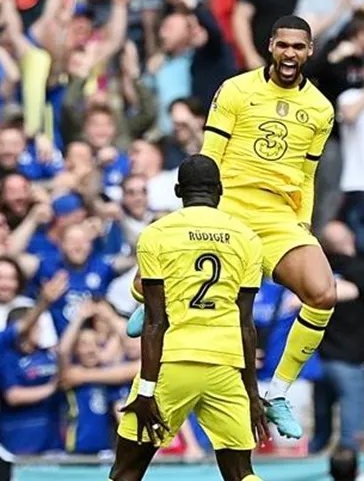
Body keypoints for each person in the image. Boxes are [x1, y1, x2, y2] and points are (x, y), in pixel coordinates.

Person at [130, 15, 337, 440]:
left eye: (299, 47)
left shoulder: (321, 109)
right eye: (283, 46)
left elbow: (307, 174)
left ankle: (277, 393)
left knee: (323, 294)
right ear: (270, 46)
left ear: (310, 50)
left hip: (279, 216)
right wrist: (202, 210)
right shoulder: (236, 89)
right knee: (143, 276)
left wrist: (304, 223)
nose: (290, 55)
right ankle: (148, 299)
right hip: (229, 204)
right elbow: (209, 157)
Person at [109, 154, 268, 481]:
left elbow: (154, 321)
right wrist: (252, 393)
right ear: (220, 191)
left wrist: (146, 391)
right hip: (225, 364)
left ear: (178, 190)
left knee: (127, 470)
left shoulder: (157, 234)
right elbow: (246, 324)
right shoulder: (247, 238)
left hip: (173, 363)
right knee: (241, 473)